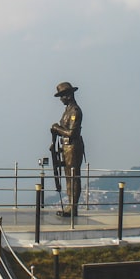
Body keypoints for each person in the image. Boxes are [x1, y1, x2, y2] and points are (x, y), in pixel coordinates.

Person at [51, 81, 85, 218]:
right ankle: (70, 206)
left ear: (69, 95)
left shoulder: (75, 111)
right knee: (68, 177)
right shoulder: (67, 111)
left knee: (73, 176)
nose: (61, 99)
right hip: (66, 147)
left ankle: (73, 207)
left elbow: (72, 133)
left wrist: (56, 128)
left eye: (62, 96)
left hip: (73, 146)